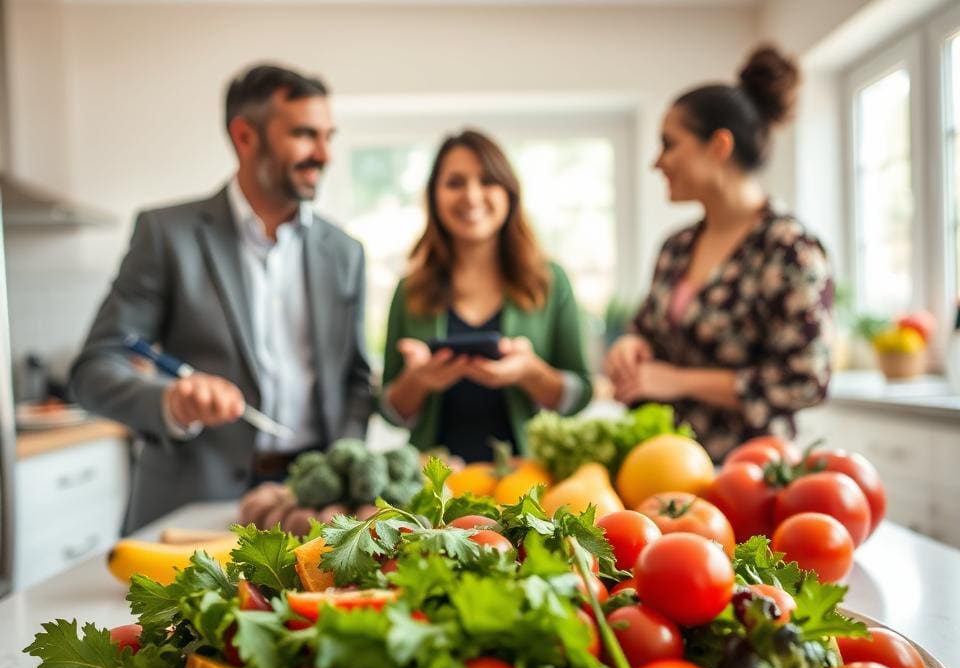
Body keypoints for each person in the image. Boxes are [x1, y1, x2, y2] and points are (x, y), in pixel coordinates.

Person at [71, 64, 373, 531]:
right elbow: (94, 369)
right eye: (305, 135)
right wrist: (171, 400)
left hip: (311, 508)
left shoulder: (344, 253)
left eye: (329, 136)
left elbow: (356, 380)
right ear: (245, 136)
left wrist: (340, 473)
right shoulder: (166, 234)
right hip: (191, 506)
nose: (325, 154)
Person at [605, 45, 833, 462]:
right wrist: (632, 345)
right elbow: (647, 331)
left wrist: (679, 381)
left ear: (719, 146)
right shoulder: (676, 248)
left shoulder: (788, 250)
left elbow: (805, 380)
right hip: (665, 468)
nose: (658, 162)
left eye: (669, 144)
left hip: (750, 474)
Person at [381, 129, 592, 462]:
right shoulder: (410, 290)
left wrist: (529, 372)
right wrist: (417, 380)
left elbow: (580, 395)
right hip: (432, 483)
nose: (472, 196)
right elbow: (391, 411)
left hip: (526, 480)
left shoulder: (551, 281)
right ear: (434, 196)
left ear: (509, 193)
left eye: (487, 181)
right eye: (455, 183)